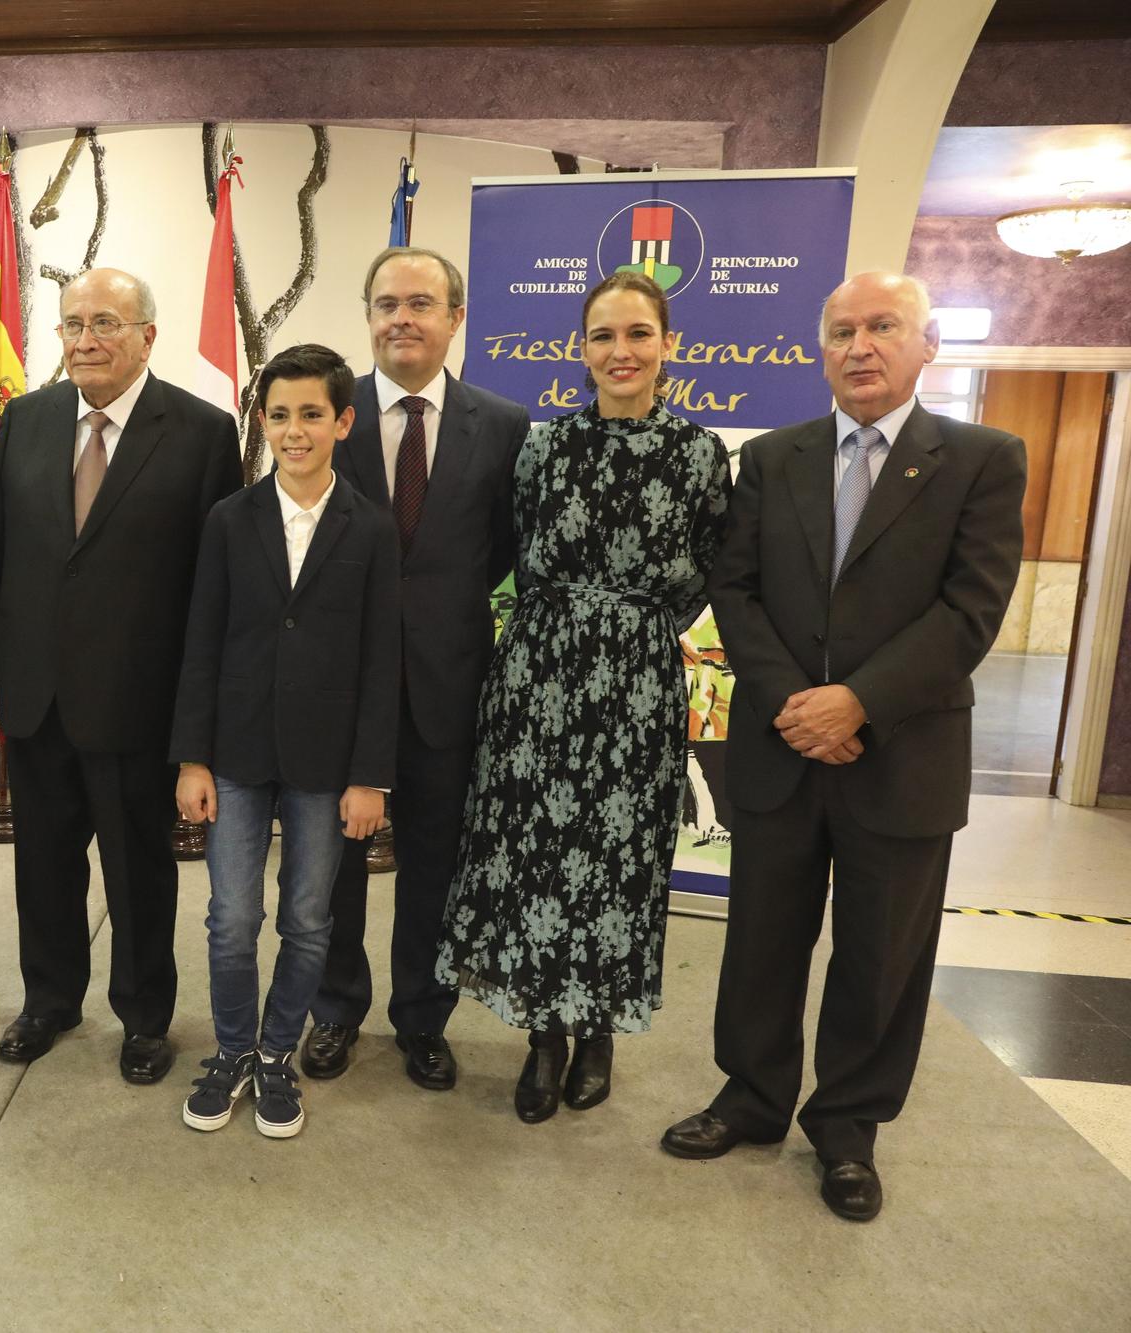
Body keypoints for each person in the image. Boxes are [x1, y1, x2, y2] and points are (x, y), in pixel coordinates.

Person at [661, 272, 1025, 1222]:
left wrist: (858, 703)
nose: (860, 346)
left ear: (925, 343)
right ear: (819, 350)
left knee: (880, 956)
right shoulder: (774, 458)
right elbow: (733, 589)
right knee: (762, 940)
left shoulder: (984, 457)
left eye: (882, 327)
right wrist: (795, 703)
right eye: (841, 331)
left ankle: (849, 1127)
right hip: (782, 748)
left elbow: (970, 610)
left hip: (902, 755)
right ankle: (750, 1098)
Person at [435, 272, 731, 1123]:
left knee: (619, 862)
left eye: (639, 334)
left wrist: (626, 627)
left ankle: (597, 1025)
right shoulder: (543, 446)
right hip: (537, 678)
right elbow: (519, 547)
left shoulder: (701, 454)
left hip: (637, 682)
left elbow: (708, 568)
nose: (621, 352)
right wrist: (569, 624)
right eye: (603, 335)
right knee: (534, 858)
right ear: (582, 348)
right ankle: (544, 1036)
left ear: (667, 345)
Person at [0, 267, 243, 1085]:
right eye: (71, 324)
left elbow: (213, 582)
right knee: (42, 864)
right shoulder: (24, 419)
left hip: (139, 700)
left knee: (139, 871)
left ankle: (144, 1016)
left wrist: (199, 712)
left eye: (105, 324)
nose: (84, 340)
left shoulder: (200, 430)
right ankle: (49, 999)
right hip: (36, 691)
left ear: (147, 336)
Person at [301, 247, 530, 1091]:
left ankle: (422, 1019)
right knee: (334, 863)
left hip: (447, 686)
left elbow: (499, 547)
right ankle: (334, 1011)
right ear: (367, 315)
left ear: (455, 318)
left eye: (421, 303)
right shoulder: (332, 410)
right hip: (339, 684)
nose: (403, 317)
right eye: (387, 302)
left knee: (436, 862)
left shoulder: (502, 424)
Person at [171, 344, 400, 1138]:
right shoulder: (230, 520)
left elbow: (381, 660)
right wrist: (192, 757)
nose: (294, 431)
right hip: (233, 754)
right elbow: (200, 641)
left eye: (310, 414)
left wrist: (370, 775)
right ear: (261, 423)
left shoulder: (370, 528)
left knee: (308, 916)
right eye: (278, 415)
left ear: (343, 420)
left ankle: (277, 1054)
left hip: (327, 762)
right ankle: (232, 1049)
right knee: (231, 915)